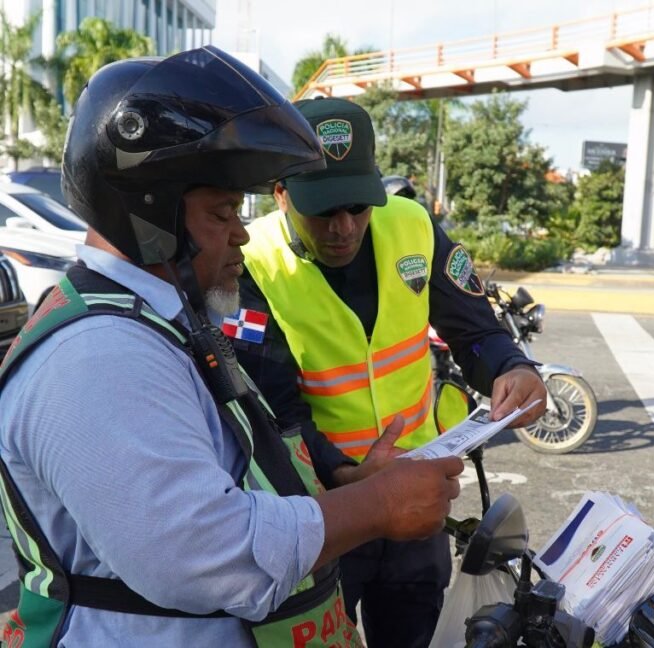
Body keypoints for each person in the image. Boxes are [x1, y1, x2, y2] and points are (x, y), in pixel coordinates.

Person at [0, 47, 463, 647]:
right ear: (150, 218)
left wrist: (348, 482)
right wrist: (376, 506)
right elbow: (201, 553)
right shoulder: (98, 355)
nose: (242, 234)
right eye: (222, 214)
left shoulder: (159, 323)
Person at [234, 97, 547, 648]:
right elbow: (274, 410)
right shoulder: (251, 262)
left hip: (416, 496)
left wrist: (511, 366)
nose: (344, 227)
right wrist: (345, 475)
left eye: (358, 206)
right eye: (323, 210)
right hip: (321, 510)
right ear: (281, 193)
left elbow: (475, 329)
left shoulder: (413, 226)